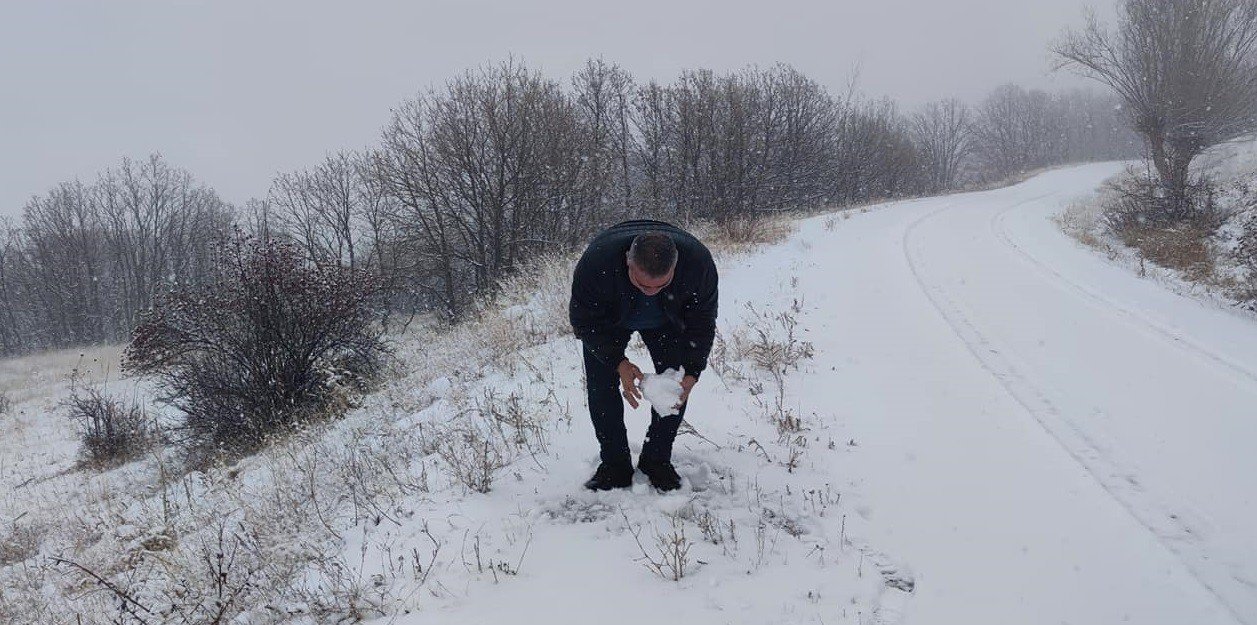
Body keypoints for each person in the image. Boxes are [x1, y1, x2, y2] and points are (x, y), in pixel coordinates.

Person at [569, 220, 718, 491]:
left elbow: (702, 322)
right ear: (628, 261)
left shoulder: (698, 265)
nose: (650, 291)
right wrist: (618, 362)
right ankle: (614, 465)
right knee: (600, 387)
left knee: (676, 386)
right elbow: (584, 322)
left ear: (675, 267)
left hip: (668, 321)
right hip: (609, 320)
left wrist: (693, 371)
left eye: (661, 285)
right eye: (642, 284)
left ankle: (657, 460)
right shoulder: (596, 263)